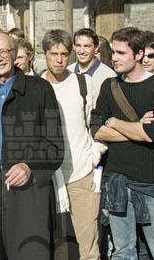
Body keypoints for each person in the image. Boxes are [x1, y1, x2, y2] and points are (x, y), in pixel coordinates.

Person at [0, 31, 64, 260]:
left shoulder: (40, 89)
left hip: (28, 187)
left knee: (29, 252)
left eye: (3, 52)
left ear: (14, 53)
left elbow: (54, 145)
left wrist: (29, 166)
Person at [91, 27, 154, 260]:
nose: (114, 58)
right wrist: (135, 127)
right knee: (122, 252)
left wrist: (113, 121)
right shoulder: (109, 86)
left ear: (139, 54)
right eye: (113, 52)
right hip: (116, 179)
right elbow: (96, 130)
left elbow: (150, 134)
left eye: (121, 53)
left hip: (150, 181)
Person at [40, 30, 104, 260]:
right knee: (50, 243)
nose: (59, 60)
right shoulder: (36, 86)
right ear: (44, 54)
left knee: (88, 246)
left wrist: (95, 154)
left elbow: (96, 123)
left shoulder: (83, 83)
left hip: (81, 172)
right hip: (48, 177)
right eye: (54, 54)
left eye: (64, 54)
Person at [68, 28, 116, 100]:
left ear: (96, 48)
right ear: (74, 47)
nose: (82, 51)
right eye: (78, 45)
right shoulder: (68, 71)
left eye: (86, 46)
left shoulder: (108, 76)